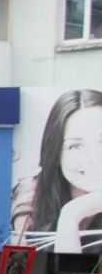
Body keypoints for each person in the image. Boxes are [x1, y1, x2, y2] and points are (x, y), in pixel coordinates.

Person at [14, 89, 102, 253]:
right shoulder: (31, 200)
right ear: (55, 155)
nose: (94, 157)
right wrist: (71, 216)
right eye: (75, 146)